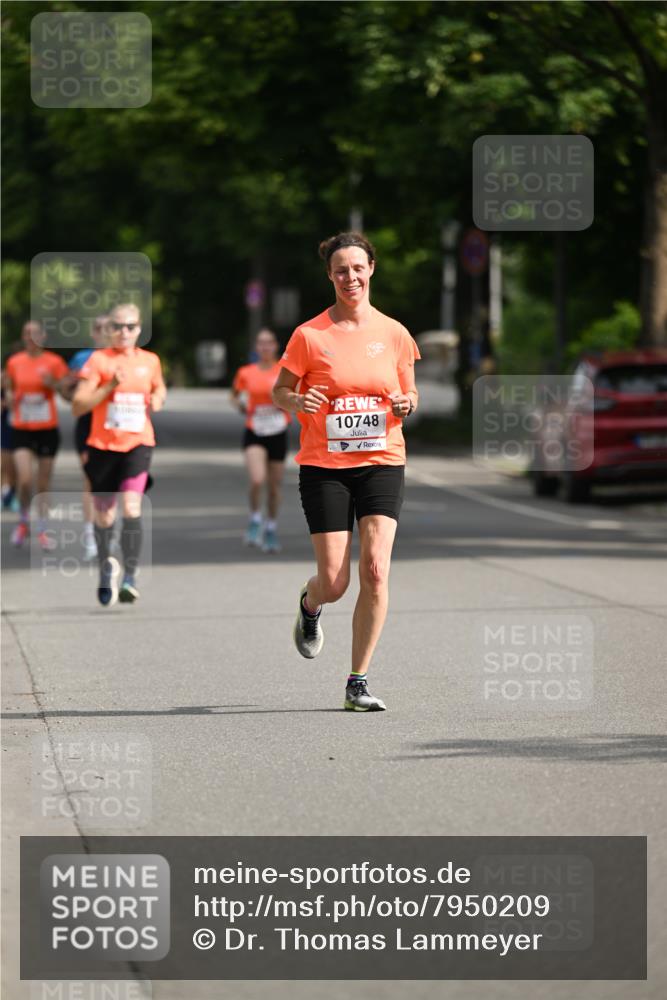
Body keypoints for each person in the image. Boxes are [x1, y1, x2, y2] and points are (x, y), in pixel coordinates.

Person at [272, 232, 420, 712]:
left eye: (358, 267)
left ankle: (357, 681)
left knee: (375, 570)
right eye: (341, 270)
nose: (350, 277)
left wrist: (405, 403)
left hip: (382, 461)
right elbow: (280, 391)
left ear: (371, 268)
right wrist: (298, 400)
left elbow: (410, 393)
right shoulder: (309, 335)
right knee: (335, 583)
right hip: (325, 466)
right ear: (330, 276)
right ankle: (310, 604)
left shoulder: (394, 333)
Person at [71, 303, 166, 606]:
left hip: (138, 443)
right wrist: (110, 385)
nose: (124, 332)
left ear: (139, 329)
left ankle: (130, 577)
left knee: (131, 505)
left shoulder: (150, 361)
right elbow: (78, 405)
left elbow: (159, 388)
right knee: (104, 515)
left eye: (130, 326)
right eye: (117, 326)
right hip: (102, 446)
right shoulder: (98, 360)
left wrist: (157, 398)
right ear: (108, 329)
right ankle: (105, 568)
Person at [3, 321, 70, 549]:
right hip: (21, 428)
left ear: (43, 337)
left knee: (42, 483)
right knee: (24, 479)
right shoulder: (15, 362)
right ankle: (23, 521)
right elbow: (9, 387)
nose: (31, 338)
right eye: (27, 334)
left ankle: (41, 528)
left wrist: (54, 384)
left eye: (35, 334)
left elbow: (66, 392)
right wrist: (9, 397)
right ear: (23, 337)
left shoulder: (54, 362)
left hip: (46, 429)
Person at [231, 328, 290, 553]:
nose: (265, 347)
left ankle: (271, 527)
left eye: (269, 343)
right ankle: (255, 519)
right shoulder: (246, 372)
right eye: (261, 343)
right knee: (257, 479)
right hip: (254, 430)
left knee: (274, 487)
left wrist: (288, 402)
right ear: (256, 347)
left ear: (276, 346)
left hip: (278, 431)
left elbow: (294, 394)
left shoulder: (283, 371)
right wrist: (240, 405)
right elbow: (235, 396)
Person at [66, 315, 110, 561]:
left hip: (114, 427)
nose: (104, 332)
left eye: (108, 327)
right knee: (91, 480)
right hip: (88, 425)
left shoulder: (122, 358)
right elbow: (67, 392)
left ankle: (106, 526)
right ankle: (90, 535)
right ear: (93, 333)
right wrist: (70, 386)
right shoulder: (82, 358)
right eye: (99, 328)